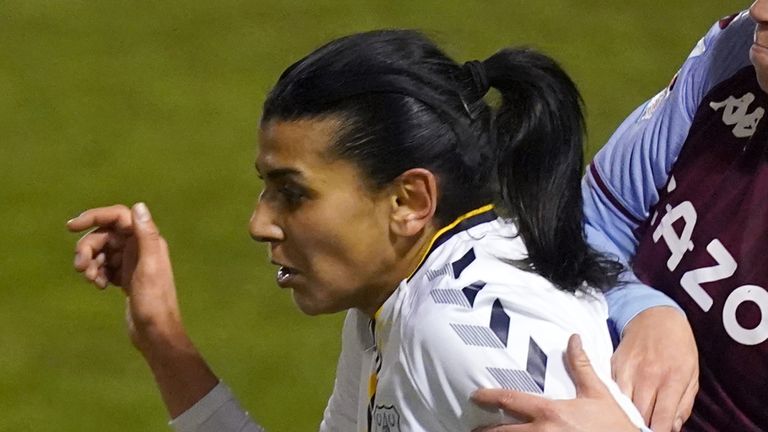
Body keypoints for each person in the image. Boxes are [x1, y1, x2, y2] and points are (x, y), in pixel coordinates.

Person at [67, 31, 648, 431]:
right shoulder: (391, 300)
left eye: (292, 192)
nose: (259, 223)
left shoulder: (468, 333)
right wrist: (161, 335)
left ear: (408, 200)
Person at [473, 5, 768, 432]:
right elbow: (593, 220)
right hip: (582, 389)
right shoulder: (738, 51)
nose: (760, 9)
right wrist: (646, 310)